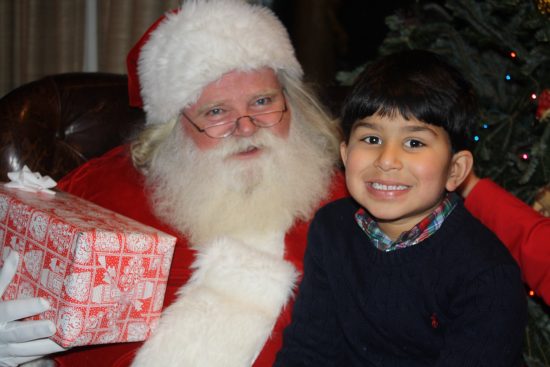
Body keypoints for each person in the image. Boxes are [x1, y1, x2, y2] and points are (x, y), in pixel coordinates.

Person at [0, 1, 547, 366]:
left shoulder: (363, 194)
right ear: (174, 130)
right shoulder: (105, 193)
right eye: (216, 111)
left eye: (263, 102)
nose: (246, 126)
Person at [274, 49, 527, 366]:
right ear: (344, 152)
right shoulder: (332, 229)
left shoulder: (485, 276)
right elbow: (310, 349)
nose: (387, 160)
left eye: (414, 143)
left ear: (455, 170)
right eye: (371, 139)